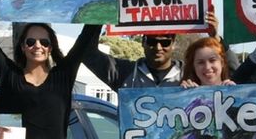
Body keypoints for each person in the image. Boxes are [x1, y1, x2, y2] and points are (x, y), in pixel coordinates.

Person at [82, 6, 221, 89]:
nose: (158, 47)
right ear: (143, 42)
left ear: (174, 44)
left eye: (165, 42)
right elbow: (86, 53)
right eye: (152, 41)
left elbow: (229, 76)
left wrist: (215, 37)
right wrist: (103, 8)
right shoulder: (123, 72)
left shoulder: (192, 74)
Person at [179, 34, 256, 87]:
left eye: (212, 60)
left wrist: (237, 94)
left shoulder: (237, 89)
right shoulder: (183, 95)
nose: (207, 67)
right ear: (193, 66)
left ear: (221, 62)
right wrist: (180, 96)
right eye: (200, 62)